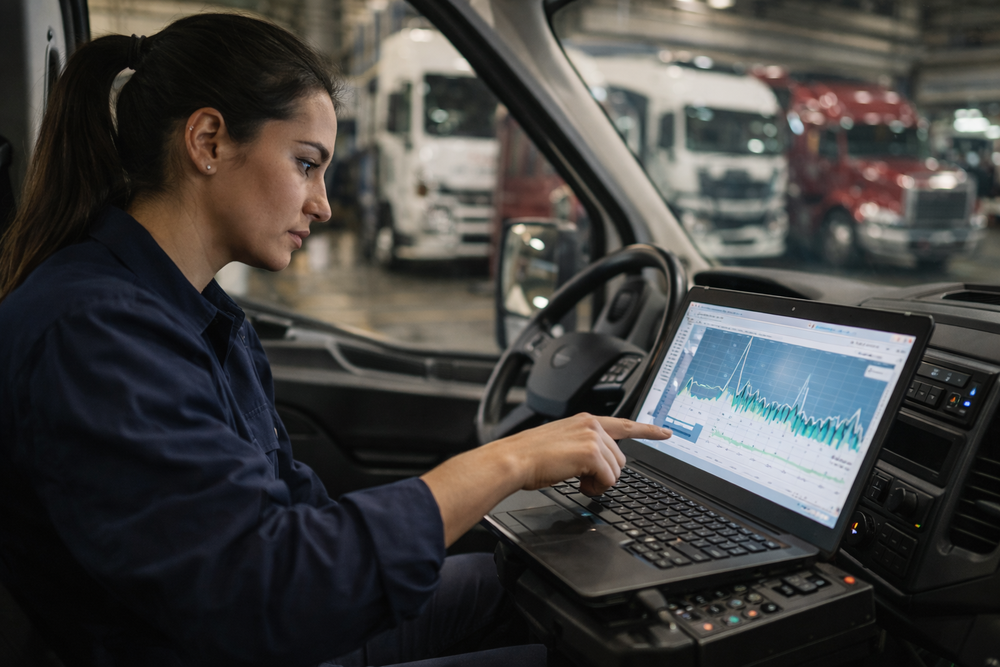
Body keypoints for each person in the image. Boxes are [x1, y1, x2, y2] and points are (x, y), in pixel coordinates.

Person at [0, 13, 671, 667]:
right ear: (207, 141)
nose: (322, 203)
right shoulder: (95, 333)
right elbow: (269, 591)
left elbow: (295, 512)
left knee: (536, 594)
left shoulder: (197, 316)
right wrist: (508, 463)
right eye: (305, 163)